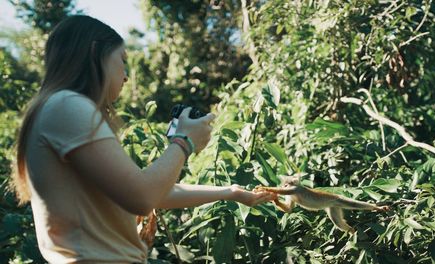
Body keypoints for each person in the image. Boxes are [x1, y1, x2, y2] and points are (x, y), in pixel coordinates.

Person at [12, 15, 276, 263]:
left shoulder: (58, 108)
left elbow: (152, 192)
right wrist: (184, 143)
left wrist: (231, 193)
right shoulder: (69, 105)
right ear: (95, 53)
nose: (126, 75)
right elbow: (142, 197)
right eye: (122, 60)